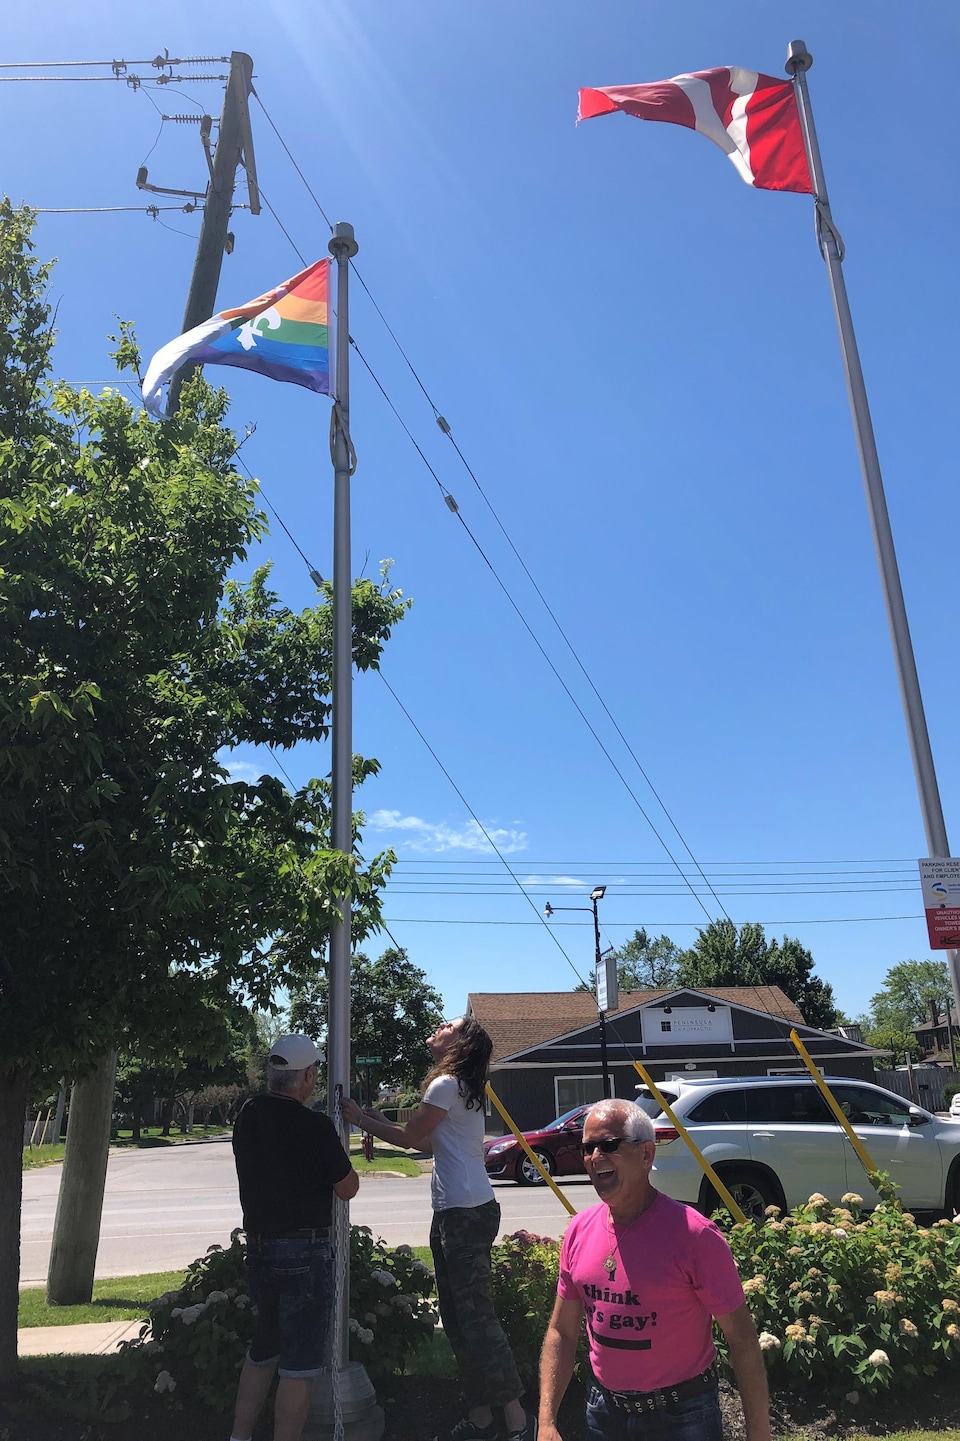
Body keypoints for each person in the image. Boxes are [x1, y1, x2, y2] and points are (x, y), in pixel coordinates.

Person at [342, 1017, 535, 1441]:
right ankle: (481, 1417)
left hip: (464, 1212)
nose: (438, 1025)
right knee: (458, 1317)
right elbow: (430, 1143)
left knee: (476, 1318)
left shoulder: (446, 1084)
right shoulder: (459, 1086)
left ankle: (519, 1421)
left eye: (448, 1024)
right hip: (460, 1209)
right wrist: (374, 1121)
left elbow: (412, 1138)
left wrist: (359, 1119)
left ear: (459, 1043)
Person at [538, 1099, 771, 1441]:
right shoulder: (580, 1229)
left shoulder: (695, 1236)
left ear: (646, 1154)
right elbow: (562, 1330)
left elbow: (742, 1340)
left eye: (608, 1145)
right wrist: (546, 1422)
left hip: (681, 1416)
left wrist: (759, 1433)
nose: (594, 1157)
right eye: (587, 1148)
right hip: (604, 1413)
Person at [230, 1033, 359, 1441]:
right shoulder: (314, 1126)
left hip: (261, 1247)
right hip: (304, 1252)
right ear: (305, 1076)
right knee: (299, 1368)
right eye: (315, 1071)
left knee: (262, 1351)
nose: (317, 1077)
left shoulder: (247, 1114)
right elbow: (347, 1186)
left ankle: (239, 1437)